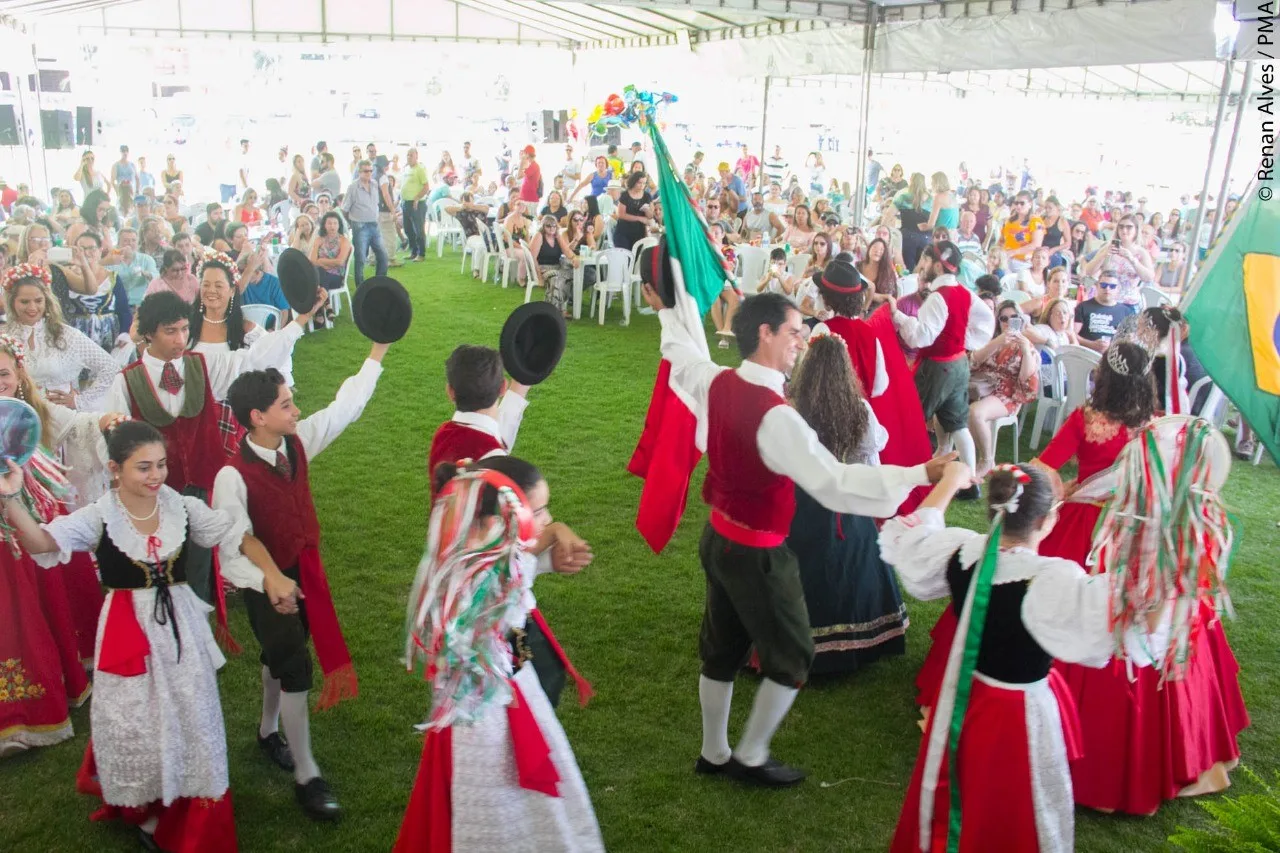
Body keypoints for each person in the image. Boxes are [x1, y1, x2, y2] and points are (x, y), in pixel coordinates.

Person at [642, 286, 943, 786]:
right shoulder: (776, 416)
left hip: (717, 541)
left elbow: (681, 354)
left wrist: (668, 311)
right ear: (764, 334)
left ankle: (713, 752)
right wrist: (917, 475)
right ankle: (750, 755)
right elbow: (836, 482)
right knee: (793, 656)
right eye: (793, 332)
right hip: (758, 553)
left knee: (721, 648)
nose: (801, 341)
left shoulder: (717, 381)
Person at [5, 420, 281, 853]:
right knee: (135, 717)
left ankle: (194, 792)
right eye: (143, 468)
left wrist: (271, 574)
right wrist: (9, 497)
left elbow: (233, 534)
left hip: (180, 626)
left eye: (161, 465)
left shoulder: (183, 508)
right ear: (115, 469)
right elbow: (41, 543)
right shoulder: (100, 515)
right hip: (125, 629)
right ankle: (146, 806)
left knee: (192, 706)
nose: (156, 476)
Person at [1036, 347, 1246, 815]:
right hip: (1149, 538)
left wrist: (1058, 498)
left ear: (1102, 378)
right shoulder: (1162, 428)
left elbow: (1048, 468)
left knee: (1073, 614)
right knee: (1162, 630)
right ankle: (1184, 751)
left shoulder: (1086, 420)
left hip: (1089, 534)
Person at [882, 462, 1127, 853]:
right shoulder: (1050, 578)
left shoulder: (962, 553)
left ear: (994, 510)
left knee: (959, 786)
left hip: (963, 698)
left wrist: (948, 482)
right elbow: (1120, 616)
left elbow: (917, 531)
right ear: (1048, 520)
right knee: (1015, 801)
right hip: (1018, 712)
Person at [214, 342, 388, 822]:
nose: (297, 410)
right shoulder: (232, 477)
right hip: (262, 584)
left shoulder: (296, 442)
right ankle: (307, 774)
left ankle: (268, 732)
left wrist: (377, 350)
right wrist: (269, 580)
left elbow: (344, 408)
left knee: (280, 657)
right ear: (257, 417)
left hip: (304, 573)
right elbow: (232, 549)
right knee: (296, 669)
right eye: (286, 405)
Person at [395, 456, 604, 852]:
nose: (547, 519)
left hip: (509, 694)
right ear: (502, 520)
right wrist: (555, 534)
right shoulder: (471, 572)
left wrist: (546, 552)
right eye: (539, 511)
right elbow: (509, 575)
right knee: (498, 801)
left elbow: (516, 566)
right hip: (484, 713)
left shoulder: (477, 553)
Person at [101, 289, 315, 605]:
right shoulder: (126, 381)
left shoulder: (201, 365)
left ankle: (199, 618)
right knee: (162, 565)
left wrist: (300, 321)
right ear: (149, 333)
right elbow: (113, 441)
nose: (180, 338)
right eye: (170, 331)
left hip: (204, 483)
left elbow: (252, 359)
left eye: (185, 329)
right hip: (156, 493)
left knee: (200, 562)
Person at [785, 333, 908, 674]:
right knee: (849, 566)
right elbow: (868, 462)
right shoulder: (859, 410)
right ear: (846, 370)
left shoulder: (790, 406)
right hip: (843, 504)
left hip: (799, 502)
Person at [812, 259, 933, 509]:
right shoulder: (869, 333)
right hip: (860, 417)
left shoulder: (823, 330)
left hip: (826, 417)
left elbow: (810, 376)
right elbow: (880, 385)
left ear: (827, 298)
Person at [890, 242, 995, 492]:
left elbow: (920, 338)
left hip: (938, 369)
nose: (922, 266)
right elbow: (986, 322)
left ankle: (904, 479)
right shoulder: (965, 293)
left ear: (937, 265)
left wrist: (898, 316)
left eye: (925, 261)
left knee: (911, 419)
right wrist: (962, 341)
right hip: (959, 364)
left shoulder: (939, 297)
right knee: (958, 423)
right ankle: (970, 484)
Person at [3, 264, 119, 410]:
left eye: (38, 301)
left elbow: (110, 367)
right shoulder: (4, 336)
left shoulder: (67, 335)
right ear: (13, 303)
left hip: (62, 417)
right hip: (19, 417)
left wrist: (80, 401)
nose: (32, 308)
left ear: (47, 301)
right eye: (24, 301)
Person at [427, 344, 529, 482]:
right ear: (503, 387)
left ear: (450, 392)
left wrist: (521, 385)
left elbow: (492, 436)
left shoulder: (442, 435)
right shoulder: (493, 458)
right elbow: (490, 443)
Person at [967, 301, 1039, 479]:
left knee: (975, 413)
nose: (1008, 322)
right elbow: (972, 363)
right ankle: (948, 450)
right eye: (1003, 318)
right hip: (981, 387)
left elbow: (1025, 380)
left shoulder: (1027, 346)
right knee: (950, 405)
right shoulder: (993, 340)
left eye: (1014, 318)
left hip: (1008, 394)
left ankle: (987, 460)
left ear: (1021, 320)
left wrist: (1026, 351)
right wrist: (997, 343)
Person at [1084, 213, 1155, 306]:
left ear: (1136, 230)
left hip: (1129, 302)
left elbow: (1149, 278)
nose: (1124, 231)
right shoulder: (1107, 248)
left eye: (1129, 227)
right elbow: (1088, 271)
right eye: (1121, 227)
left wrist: (1132, 260)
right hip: (1106, 300)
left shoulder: (1141, 252)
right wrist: (1103, 255)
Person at [341, 159, 388, 286]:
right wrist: (351, 223)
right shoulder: (352, 187)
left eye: (371, 171)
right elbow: (344, 209)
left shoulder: (374, 184)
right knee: (361, 258)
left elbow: (375, 204)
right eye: (366, 171)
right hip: (360, 225)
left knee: (383, 256)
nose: (369, 173)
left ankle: (379, 284)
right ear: (359, 172)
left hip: (374, 224)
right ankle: (361, 288)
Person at [527, 215, 581, 318]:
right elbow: (532, 259)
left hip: (556, 266)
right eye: (548, 226)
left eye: (554, 226)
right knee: (557, 278)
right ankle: (553, 311)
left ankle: (559, 309)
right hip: (542, 267)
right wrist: (539, 277)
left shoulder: (557, 236)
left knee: (570, 274)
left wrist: (574, 258)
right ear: (543, 226)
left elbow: (567, 250)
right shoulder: (539, 236)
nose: (552, 228)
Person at [1074, 268, 1136, 352]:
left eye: (1112, 286)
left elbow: (1131, 340)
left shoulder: (1126, 312)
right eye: (1103, 285)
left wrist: (1113, 347)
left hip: (1113, 356)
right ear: (1097, 286)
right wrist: (1091, 344)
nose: (1107, 289)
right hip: (1086, 353)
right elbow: (1072, 334)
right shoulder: (1083, 307)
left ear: (1118, 289)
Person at [309, 212, 352, 321]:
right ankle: (327, 307)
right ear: (324, 225)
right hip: (322, 276)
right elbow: (312, 260)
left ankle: (319, 311)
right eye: (329, 223)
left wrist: (322, 260)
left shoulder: (344, 241)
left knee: (318, 274)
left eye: (335, 223)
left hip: (337, 277)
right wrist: (327, 263)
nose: (332, 226)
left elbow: (340, 262)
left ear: (339, 225)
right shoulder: (319, 239)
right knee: (320, 273)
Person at [108, 227, 158, 308]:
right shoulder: (111, 261)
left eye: (133, 240)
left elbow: (156, 278)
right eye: (126, 240)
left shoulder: (146, 259)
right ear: (118, 243)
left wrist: (145, 273)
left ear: (138, 243)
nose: (130, 243)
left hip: (141, 304)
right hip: (117, 305)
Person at [894, 173, 932, 272]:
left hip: (907, 236)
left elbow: (888, 214)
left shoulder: (904, 197)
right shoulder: (931, 199)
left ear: (911, 181)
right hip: (926, 238)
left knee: (907, 269)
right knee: (923, 269)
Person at [1000, 190, 1045, 273]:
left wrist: (1014, 252)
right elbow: (1001, 240)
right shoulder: (1009, 221)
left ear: (1030, 204)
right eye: (1016, 203)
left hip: (1024, 264)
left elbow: (1036, 245)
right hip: (1006, 261)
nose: (1018, 206)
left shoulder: (1035, 221)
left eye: (1022, 203)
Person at [399, 148, 429, 262]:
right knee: (407, 229)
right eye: (407, 155)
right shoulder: (406, 169)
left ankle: (421, 253)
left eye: (411, 155)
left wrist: (417, 198)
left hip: (417, 204)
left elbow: (426, 187)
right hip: (405, 203)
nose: (409, 157)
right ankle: (413, 251)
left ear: (416, 156)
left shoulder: (419, 169)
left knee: (418, 229)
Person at [613, 172, 654, 253]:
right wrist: (639, 218)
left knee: (635, 257)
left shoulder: (647, 196)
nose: (642, 185)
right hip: (623, 231)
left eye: (644, 183)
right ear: (634, 181)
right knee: (624, 256)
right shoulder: (625, 195)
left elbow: (650, 216)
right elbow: (621, 214)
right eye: (639, 183)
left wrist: (647, 210)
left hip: (639, 232)